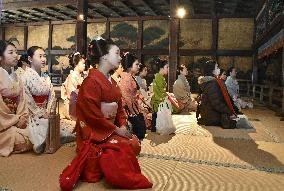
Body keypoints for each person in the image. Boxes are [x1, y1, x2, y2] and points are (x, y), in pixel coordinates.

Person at [74, 37, 149, 186]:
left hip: (110, 128)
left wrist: (122, 125)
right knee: (121, 149)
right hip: (96, 132)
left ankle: (107, 156)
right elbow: (92, 116)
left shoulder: (113, 82)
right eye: (117, 53)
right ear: (105, 56)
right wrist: (116, 130)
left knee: (134, 143)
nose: (120, 57)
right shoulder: (90, 82)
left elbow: (119, 109)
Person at [19, 46, 74, 153]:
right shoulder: (25, 77)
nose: (43, 59)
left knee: (57, 126)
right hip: (32, 114)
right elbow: (27, 100)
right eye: (40, 56)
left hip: (46, 111)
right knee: (45, 128)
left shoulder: (46, 77)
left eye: (44, 56)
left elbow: (52, 96)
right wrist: (40, 113)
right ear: (30, 59)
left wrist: (49, 111)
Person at [0, 40, 32, 157]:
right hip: (3, 124)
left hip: (16, 119)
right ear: (0, 57)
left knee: (36, 133)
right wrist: (14, 121)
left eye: (16, 52)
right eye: (11, 52)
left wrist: (22, 118)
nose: (15, 55)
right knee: (24, 140)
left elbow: (22, 100)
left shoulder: (17, 76)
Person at [197, 60, 237, 129]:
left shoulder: (213, 81)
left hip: (209, 110)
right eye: (217, 67)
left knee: (232, 117)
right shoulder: (211, 83)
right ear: (212, 70)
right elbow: (217, 103)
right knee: (231, 122)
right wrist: (229, 112)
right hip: (210, 114)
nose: (219, 69)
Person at [119, 52, 147, 139]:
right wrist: (135, 111)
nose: (138, 66)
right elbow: (127, 98)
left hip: (133, 106)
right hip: (128, 110)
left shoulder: (130, 77)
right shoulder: (126, 79)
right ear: (129, 66)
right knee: (139, 131)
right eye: (136, 64)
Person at [61, 52, 85, 120]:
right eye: (82, 63)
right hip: (73, 106)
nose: (84, 65)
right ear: (76, 64)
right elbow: (72, 95)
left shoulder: (79, 76)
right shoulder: (72, 76)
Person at [150, 58, 169, 132]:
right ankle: (155, 128)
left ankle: (156, 127)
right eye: (167, 67)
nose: (168, 69)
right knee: (157, 115)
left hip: (159, 98)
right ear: (161, 68)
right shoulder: (158, 77)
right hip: (158, 99)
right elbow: (159, 91)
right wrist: (164, 98)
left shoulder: (160, 76)